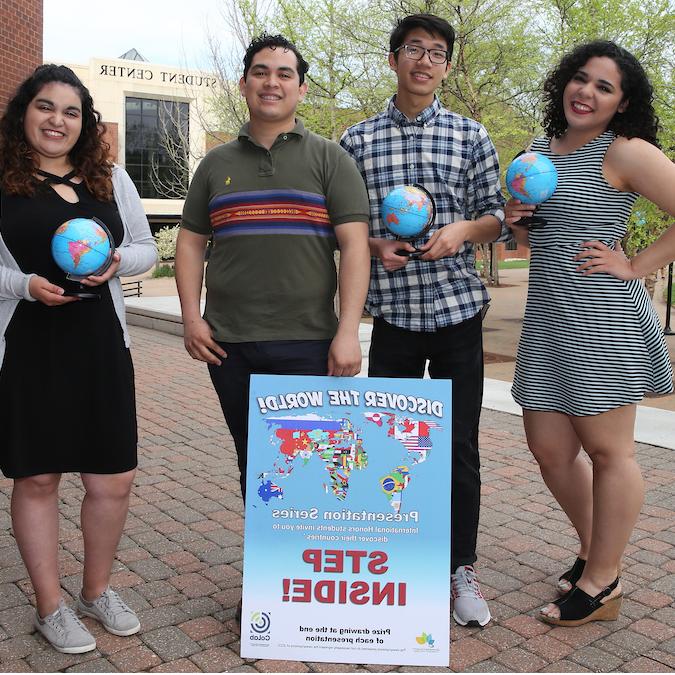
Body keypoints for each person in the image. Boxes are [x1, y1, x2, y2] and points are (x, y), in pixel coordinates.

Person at [340, 13, 507, 627]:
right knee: (392, 449)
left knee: (459, 447)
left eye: (437, 52)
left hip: (457, 312)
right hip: (395, 322)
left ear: (446, 65)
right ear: (394, 59)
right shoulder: (356, 141)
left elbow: (499, 216)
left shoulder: (470, 136)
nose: (425, 61)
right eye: (415, 49)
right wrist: (375, 246)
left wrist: (466, 228)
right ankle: (402, 559)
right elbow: (346, 227)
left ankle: (461, 566)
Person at [505, 40, 675, 627]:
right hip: (547, 321)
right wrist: (515, 224)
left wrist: (634, 265)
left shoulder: (626, 152)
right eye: (581, 79)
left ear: (622, 103)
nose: (587, 92)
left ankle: (604, 581)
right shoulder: (535, 152)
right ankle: (592, 550)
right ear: (563, 84)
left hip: (601, 321)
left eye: (605, 87)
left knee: (610, 453)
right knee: (550, 451)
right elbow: (531, 243)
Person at [0, 65, 157, 652]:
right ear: (24, 113)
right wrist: (23, 286)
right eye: (45, 107)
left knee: (112, 478)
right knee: (38, 476)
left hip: (100, 345)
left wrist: (118, 258)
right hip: (30, 346)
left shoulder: (109, 178)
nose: (56, 120)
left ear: (84, 122)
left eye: (70, 111)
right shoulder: (4, 180)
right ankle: (50, 606)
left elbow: (145, 249)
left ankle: (96, 590)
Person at [176, 34, 370, 505]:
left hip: (307, 341)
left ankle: (304, 570)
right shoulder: (214, 164)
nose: (272, 82)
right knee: (255, 459)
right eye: (261, 72)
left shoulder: (330, 159)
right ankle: (271, 575)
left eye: (285, 74)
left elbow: (355, 248)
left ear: (301, 89)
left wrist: (348, 333)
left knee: (311, 461)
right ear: (244, 84)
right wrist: (191, 317)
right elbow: (190, 241)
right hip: (229, 343)